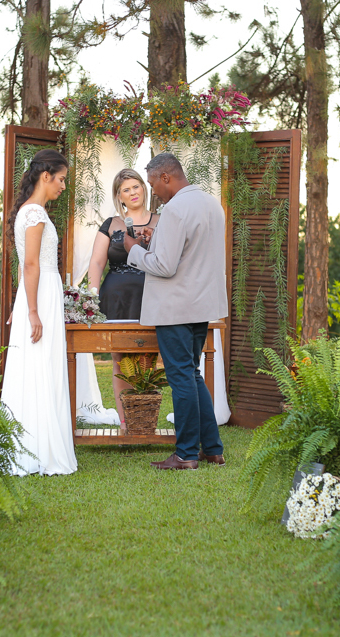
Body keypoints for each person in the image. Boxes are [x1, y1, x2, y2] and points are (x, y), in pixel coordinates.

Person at [122, 153, 228, 470]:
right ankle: (212, 448)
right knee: (193, 376)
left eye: (154, 184)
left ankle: (185, 454)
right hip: (201, 306)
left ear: (166, 177)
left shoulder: (175, 209)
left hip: (174, 308)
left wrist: (134, 250)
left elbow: (164, 268)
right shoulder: (211, 204)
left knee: (181, 378)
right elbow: (192, 252)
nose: (154, 191)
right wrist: (156, 240)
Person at [1, 149, 77, 476]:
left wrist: (22, 304)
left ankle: (38, 445)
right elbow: (29, 264)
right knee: (41, 364)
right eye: (60, 179)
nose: (62, 186)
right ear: (45, 175)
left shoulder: (34, 212)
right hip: (40, 294)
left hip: (39, 292)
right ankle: (38, 450)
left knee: (41, 365)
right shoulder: (34, 214)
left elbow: (25, 266)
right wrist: (32, 310)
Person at [86, 168, 159, 433]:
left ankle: (145, 422)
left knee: (148, 357)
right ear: (120, 196)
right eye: (126, 189)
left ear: (144, 188)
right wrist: (91, 299)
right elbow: (96, 262)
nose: (133, 193)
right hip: (116, 297)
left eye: (136, 186)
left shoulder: (162, 220)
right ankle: (126, 422)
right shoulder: (111, 223)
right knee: (119, 359)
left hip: (151, 297)